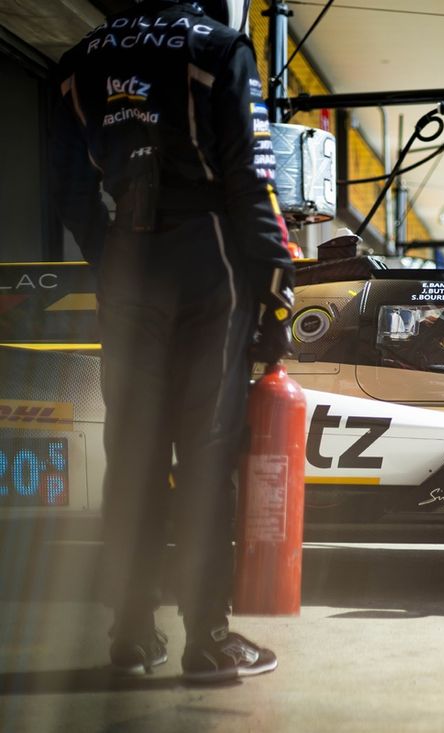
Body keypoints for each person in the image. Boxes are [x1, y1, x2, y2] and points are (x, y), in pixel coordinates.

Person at [49, 0, 293, 681]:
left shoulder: (78, 62)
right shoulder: (219, 47)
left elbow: (67, 190)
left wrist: (112, 258)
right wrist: (277, 287)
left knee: (132, 452)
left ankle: (130, 634)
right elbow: (253, 179)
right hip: (209, 263)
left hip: (128, 260)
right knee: (208, 452)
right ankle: (207, 640)